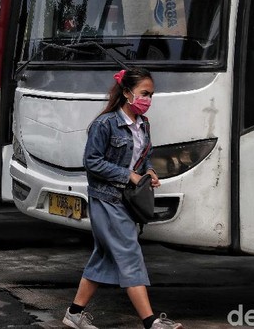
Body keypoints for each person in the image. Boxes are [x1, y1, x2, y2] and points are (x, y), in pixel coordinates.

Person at [63, 67, 182, 329]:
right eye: (144, 94)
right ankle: (151, 322)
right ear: (127, 93)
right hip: (106, 199)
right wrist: (129, 175)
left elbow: (144, 155)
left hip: (126, 201)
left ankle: (74, 314)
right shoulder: (105, 124)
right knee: (129, 255)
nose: (148, 100)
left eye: (151, 95)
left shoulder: (143, 124)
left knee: (104, 257)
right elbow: (92, 162)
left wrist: (148, 171)